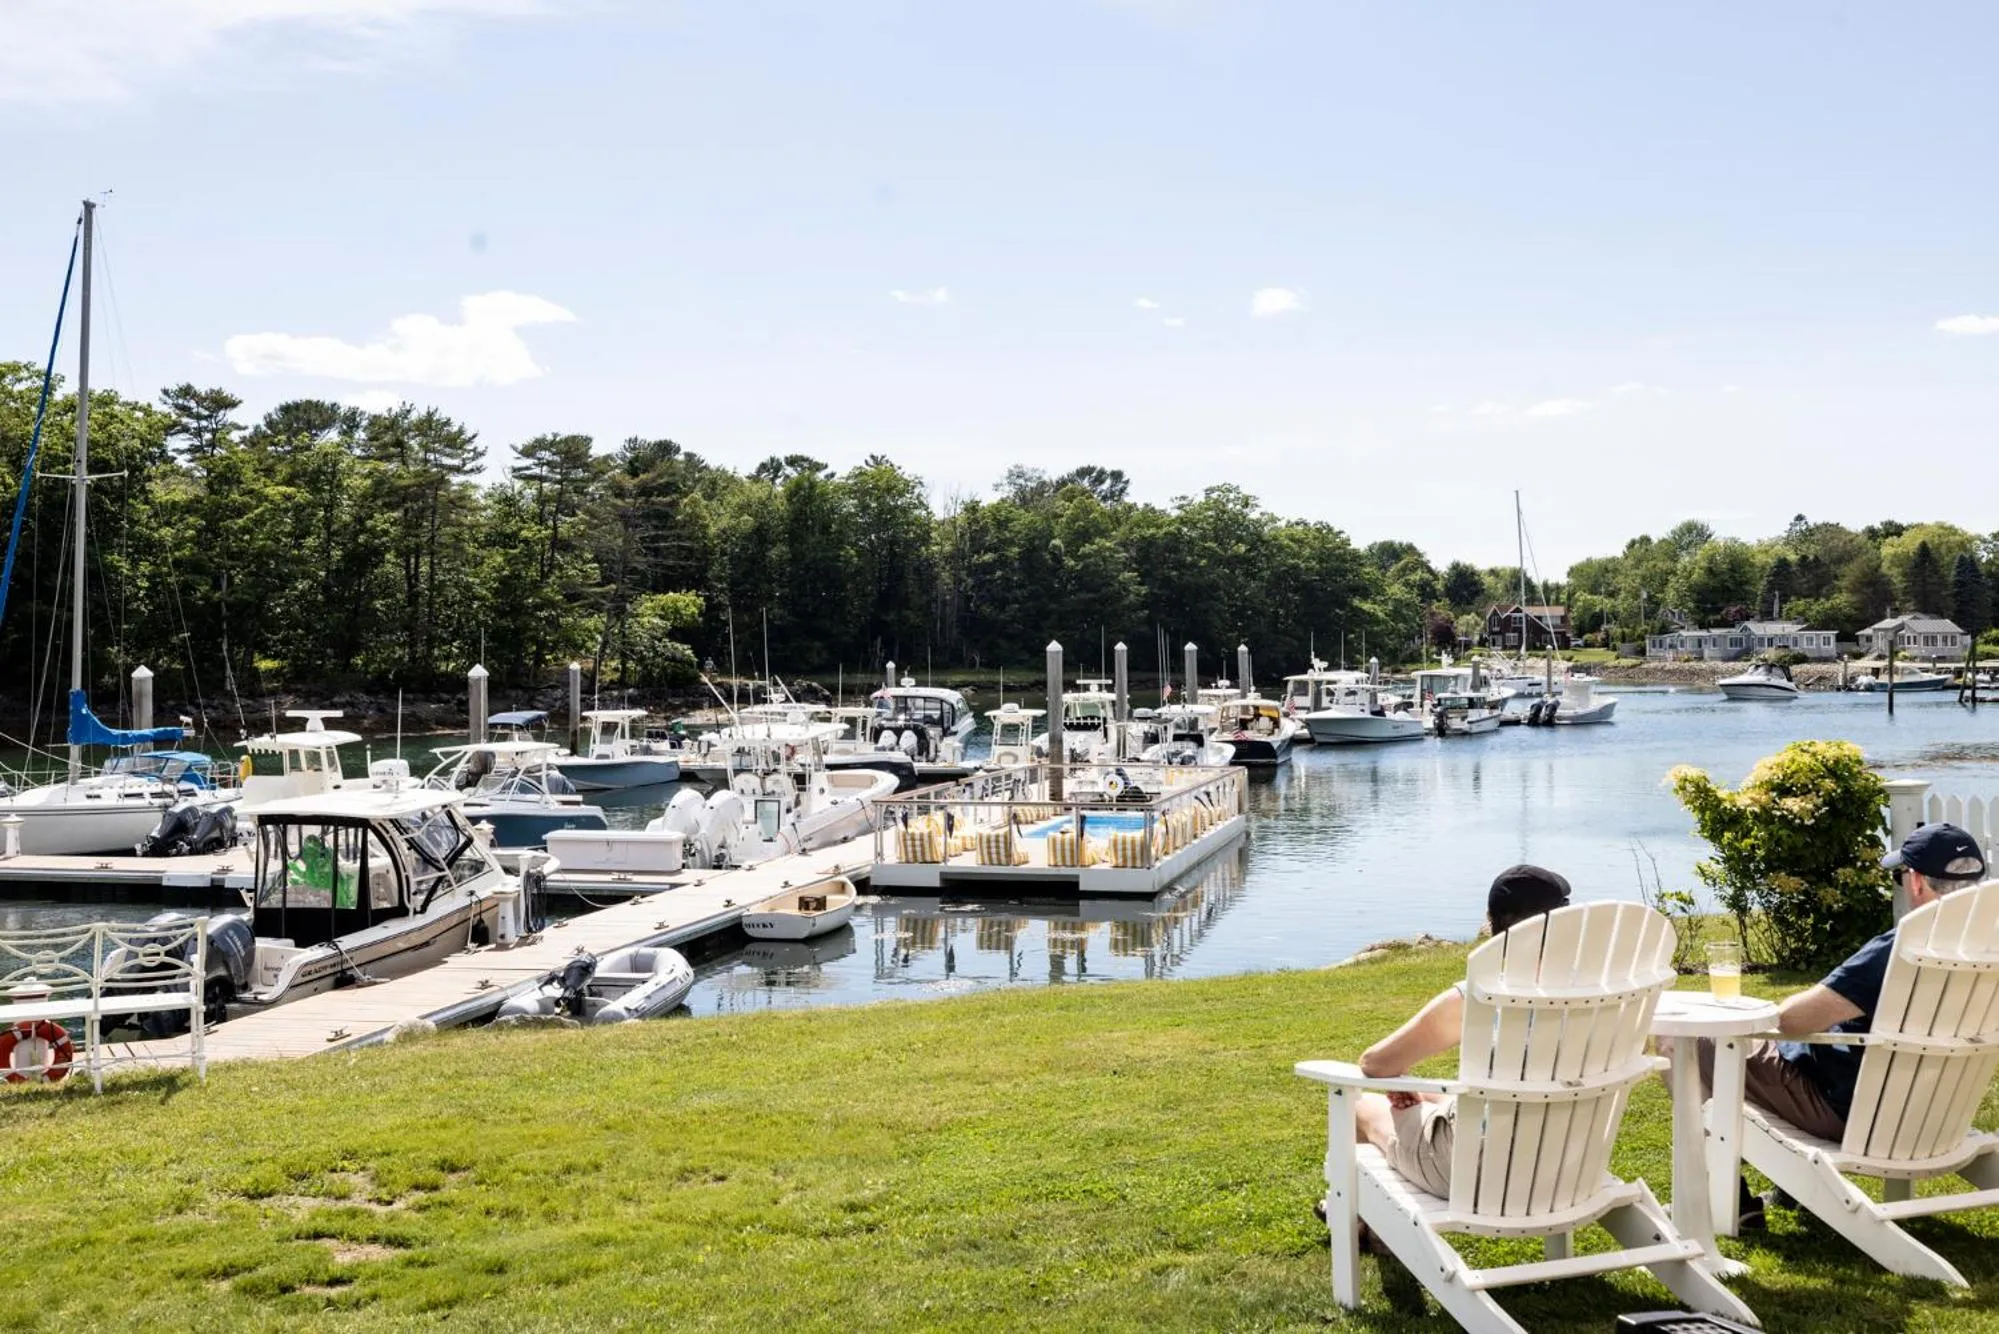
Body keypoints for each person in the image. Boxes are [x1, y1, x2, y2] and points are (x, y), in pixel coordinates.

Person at [1695, 822, 1988, 1224]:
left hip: (1860, 1118)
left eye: (1900, 876)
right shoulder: (1989, 949)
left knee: (1689, 1042)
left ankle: (1731, 1200)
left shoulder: (1903, 949)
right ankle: (1790, 1185)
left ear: (1917, 881)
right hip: (1935, 1115)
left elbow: (1793, 1021)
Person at [1347, 865, 1573, 1197]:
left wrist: (1403, 1080)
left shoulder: (1479, 997)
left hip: (1475, 1170)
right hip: (1563, 1162)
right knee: (1432, 1097)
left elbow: (1376, 1064)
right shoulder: (1593, 995)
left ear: (1493, 924)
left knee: (1360, 1107)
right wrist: (1421, 1092)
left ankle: (1358, 1224)